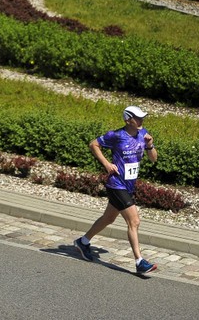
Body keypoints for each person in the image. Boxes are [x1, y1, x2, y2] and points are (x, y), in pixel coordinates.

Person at [73, 106, 159, 274]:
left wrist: (150, 145)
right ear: (128, 120)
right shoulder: (117, 135)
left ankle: (83, 242)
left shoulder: (143, 134)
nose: (141, 120)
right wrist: (107, 164)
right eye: (137, 117)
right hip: (116, 184)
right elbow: (94, 144)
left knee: (108, 218)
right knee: (134, 221)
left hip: (129, 185)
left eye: (142, 117)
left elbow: (154, 159)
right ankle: (139, 261)